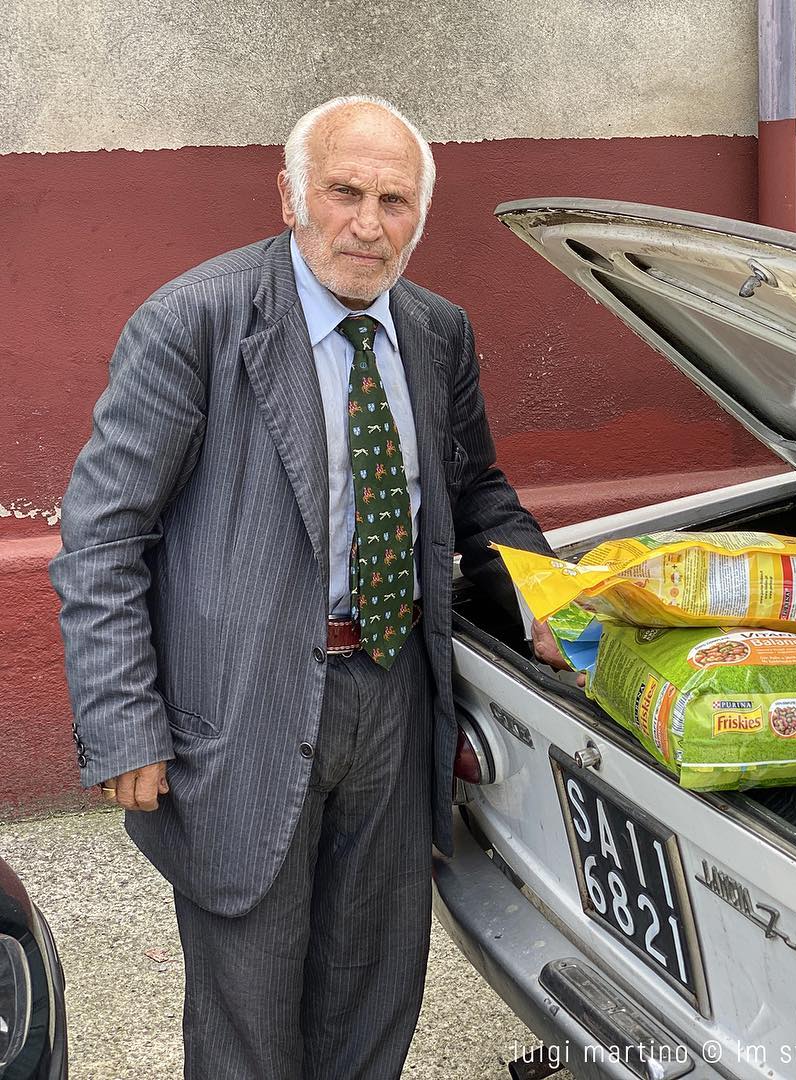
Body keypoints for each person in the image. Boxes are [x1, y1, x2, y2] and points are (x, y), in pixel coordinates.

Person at [49, 95, 566, 1078]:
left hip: (394, 701)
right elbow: (103, 531)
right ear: (290, 195)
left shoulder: (436, 331)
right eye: (344, 193)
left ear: (420, 216)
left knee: (372, 1006)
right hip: (239, 718)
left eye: (395, 201)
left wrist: (548, 598)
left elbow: (477, 487)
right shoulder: (195, 321)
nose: (367, 225)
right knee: (247, 1027)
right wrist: (123, 722)